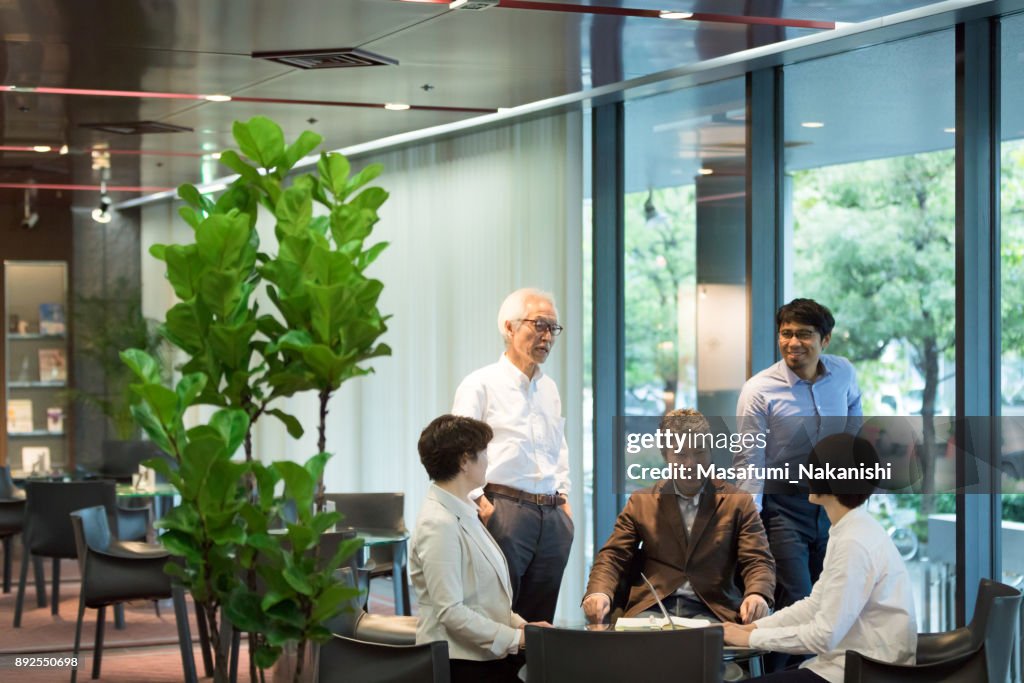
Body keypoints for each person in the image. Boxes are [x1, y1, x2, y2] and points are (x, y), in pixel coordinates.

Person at [723, 433, 917, 683]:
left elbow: (823, 636)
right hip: (852, 663)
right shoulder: (850, 528)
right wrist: (753, 628)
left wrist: (747, 638)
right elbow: (815, 605)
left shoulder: (853, 542)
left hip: (866, 672)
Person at [735, 299, 863, 655]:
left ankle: (827, 673)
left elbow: (854, 420)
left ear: (826, 339)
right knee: (797, 599)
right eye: (786, 334)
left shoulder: (844, 374)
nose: (793, 343)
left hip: (832, 505)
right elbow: (749, 459)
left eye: (804, 334)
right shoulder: (759, 389)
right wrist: (751, 520)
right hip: (783, 509)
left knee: (834, 600)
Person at [583, 409, 775, 625]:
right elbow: (613, 556)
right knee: (636, 652)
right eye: (681, 454)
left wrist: (757, 594)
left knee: (700, 650)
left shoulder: (737, 502)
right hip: (653, 607)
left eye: (699, 452)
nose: (691, 464)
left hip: (712, 609)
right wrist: (598, 593)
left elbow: (757, 560)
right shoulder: (641, 502)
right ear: (665, 455)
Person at [451, 288, 572, 623]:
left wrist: (564, 499)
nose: (547, 336)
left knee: (539, 619)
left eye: (553, 329)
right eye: (539, 325)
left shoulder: (549, 389)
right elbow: (458, 448)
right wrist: (478, 500)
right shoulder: (480, 384)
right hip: (503, 508)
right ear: (509, 328)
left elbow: (558, 447)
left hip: (551, 515)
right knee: (496, 615)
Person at [409, 414, 551, 683]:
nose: (488, 460)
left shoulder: (463, 511)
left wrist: (523, 626)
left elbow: (484, 600)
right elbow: (450, 611)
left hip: (484, 656)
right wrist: (517, 639)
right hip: (460, 664)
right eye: (484, 452)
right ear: (464, 461)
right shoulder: (439, 523)